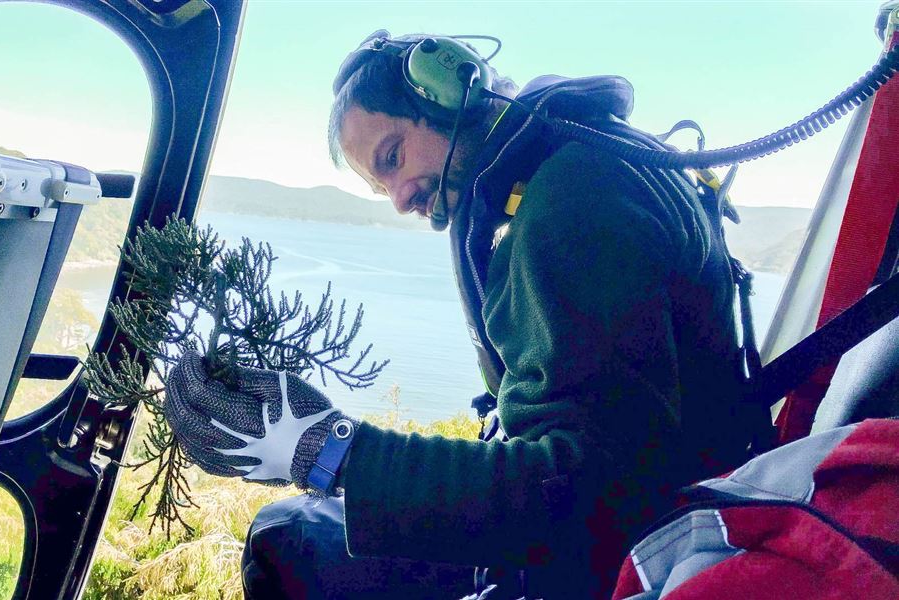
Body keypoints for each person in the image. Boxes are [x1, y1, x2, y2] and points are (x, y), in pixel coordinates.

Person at [164, 31, 761, 599]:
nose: (400, 198)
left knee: (286, 540)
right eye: (382, 187)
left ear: (452, 90)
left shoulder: (574, 198)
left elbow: (593, 490)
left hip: (626, 557)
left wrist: (328, 452)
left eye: (393, 156)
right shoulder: (580, 160)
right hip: (651, 525)